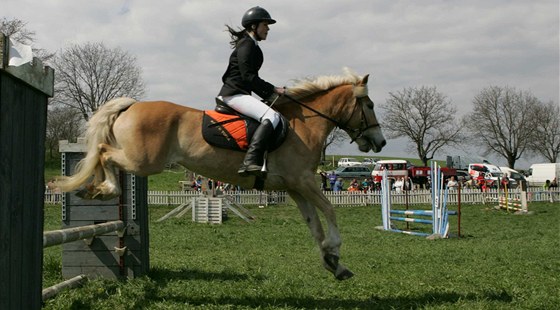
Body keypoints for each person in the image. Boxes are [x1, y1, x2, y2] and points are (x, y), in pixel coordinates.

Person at [218, 6, 286, 177]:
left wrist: (270, 95)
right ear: (254, 26)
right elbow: (248, 77)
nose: (268, 28)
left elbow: (251, 79)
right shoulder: (247, 45)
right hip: (234, 94)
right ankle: (250, 161)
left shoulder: (252, 46)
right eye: (265, 24)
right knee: (272, 116)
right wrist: (272, 89)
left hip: (239, 93)